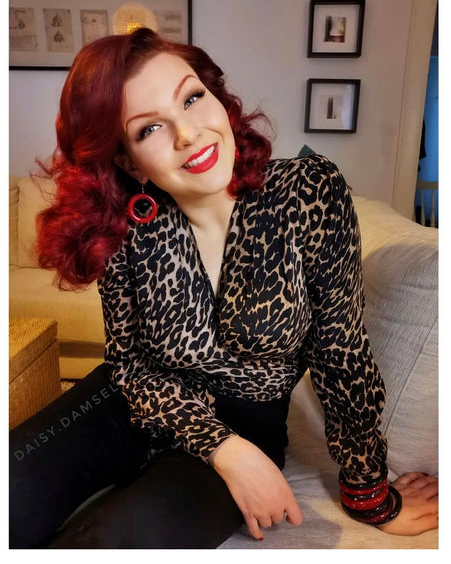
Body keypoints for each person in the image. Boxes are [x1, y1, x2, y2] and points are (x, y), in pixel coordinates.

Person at [9, 27, 438, 549]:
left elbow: (340, 353)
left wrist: (369, 493)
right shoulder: (127, 226)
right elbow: (129, 366)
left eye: (191, 98)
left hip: (249, 428)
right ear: (127, 161)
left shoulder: (307, 193)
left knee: (110, 542)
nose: (188, 134)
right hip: (130, 406)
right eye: (149, 129)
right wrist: (221, 448)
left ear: (216, 97)